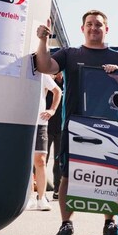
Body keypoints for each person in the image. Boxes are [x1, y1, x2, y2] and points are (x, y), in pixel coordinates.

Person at [35, 11, 118, 235]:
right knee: (68, 176)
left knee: (109, 176)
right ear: (82, 29)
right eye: (89, 24)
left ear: (106, 29)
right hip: (74, 124)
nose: (94, 28)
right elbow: (44, 66)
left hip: (110, 126)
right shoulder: (69, 53)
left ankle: (109, 222)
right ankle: (66, 223)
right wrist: (42, 40)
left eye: (98, 25)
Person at [27, 74, 62, 211]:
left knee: (40, 161)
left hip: (41, 123)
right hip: (23, 122)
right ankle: (29, 197)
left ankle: (41, 198)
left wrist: (52, 110)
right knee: (27, 161)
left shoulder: (42, 75)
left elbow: (57, 91)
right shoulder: (19, 72)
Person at [46, 72, 64, 200]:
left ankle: (57, 189)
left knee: (59, 161)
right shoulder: (48, 82)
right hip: (47, 126)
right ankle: (39, 190)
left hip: (61, 128)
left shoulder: (66, 84)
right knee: (42, 159)